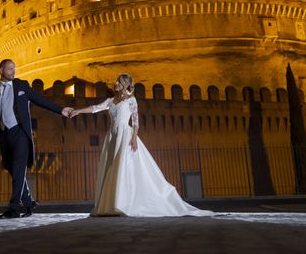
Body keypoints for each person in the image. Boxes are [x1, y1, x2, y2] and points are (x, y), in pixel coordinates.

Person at [70, 73, 213, 217]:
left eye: (119, 82)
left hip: (125, 135)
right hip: (112, 137)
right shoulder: (111, 100)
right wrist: (78, 111)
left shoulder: (131, 100)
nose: (116, 84)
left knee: (123, 168)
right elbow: (95, 108)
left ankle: (123, 205)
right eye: (116, 82)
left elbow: (135, 121)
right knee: (111, 168)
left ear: (125, 84)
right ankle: (111, 205)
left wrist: (133, 138)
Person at [0, 59, 73, 219]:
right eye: (10, 68)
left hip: (20, 134)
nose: (14, 71)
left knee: (19, 170)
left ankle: (13, 208)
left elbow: (40, 100)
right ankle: (28, 202)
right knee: (13, 171)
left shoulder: (22, 86)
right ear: (1, 69)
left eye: (14, 68)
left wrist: (61, 110)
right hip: (4, 135)